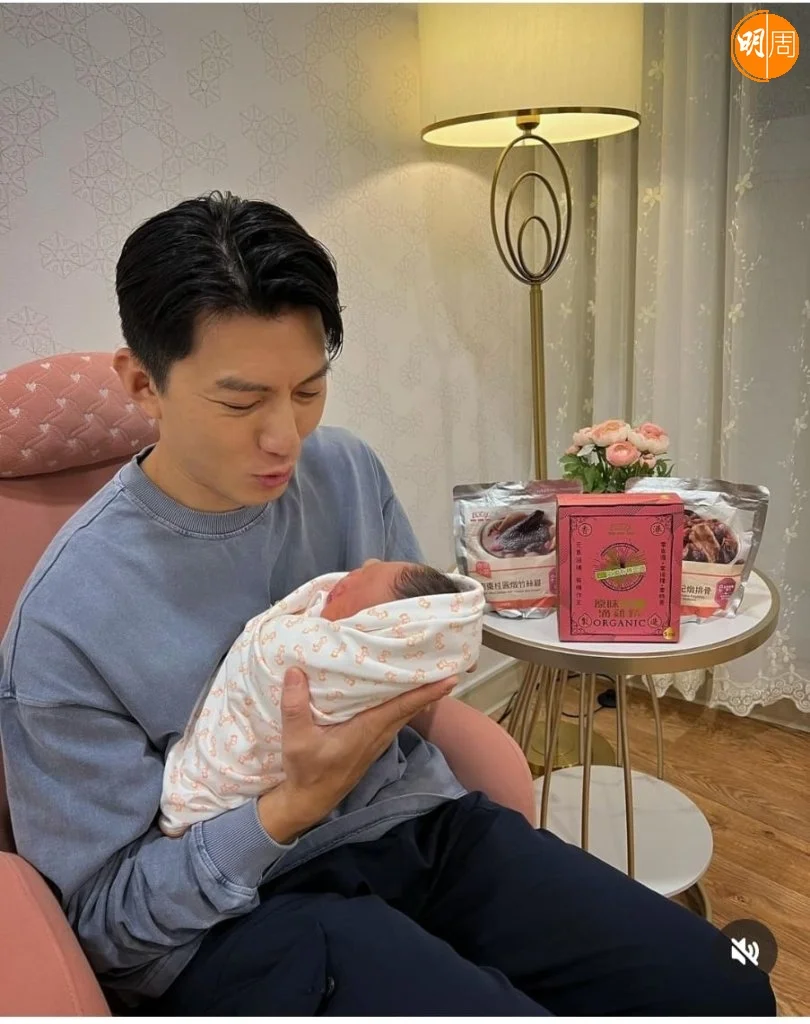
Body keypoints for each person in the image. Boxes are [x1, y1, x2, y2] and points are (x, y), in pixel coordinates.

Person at [0, 192, 775, 1016]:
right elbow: (106, 923)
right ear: (142, 385)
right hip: (240, 916)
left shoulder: (344, 472)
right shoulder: (63, 622)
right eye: (241, 402)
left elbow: (423, 643)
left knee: (726, 983)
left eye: (308, 390)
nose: (285, 438)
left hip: (415, 827)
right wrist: (289, 807)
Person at [159, 561, 484, 836]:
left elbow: (273, 644)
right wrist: (300, 802)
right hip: (251, 823)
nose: (364, 566)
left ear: (381, 628)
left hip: (397, 799)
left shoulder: (339, 656)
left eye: (358, 583)